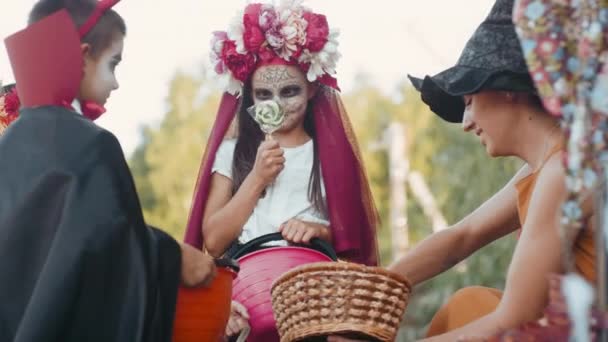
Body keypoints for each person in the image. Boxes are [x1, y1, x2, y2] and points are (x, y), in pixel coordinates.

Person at [0, 1, 216, 341]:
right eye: (113, 63)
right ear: (83, 56)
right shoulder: (93, 146)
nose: (115, 83)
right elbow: (109, 250)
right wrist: (173, 257)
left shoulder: (8, 143)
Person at [381, 0, 597, 340]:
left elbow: (513, 321)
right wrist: (375, 286)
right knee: (468, 305)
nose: (466, 123)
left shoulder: (565, 171)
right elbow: (461, 237)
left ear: (508, 89)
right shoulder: (546, 165)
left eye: (468, 103)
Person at [182, 1, 380, 339]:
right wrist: (257, 177)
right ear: (249, 99)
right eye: (263, 94)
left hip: (315, 298)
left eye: (289, 91)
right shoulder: (232, 153)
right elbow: (213, 242)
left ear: (312, 88)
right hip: (246, 293)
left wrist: (319, 230)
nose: (276, 103)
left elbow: (353, 240)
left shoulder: (328, 156)